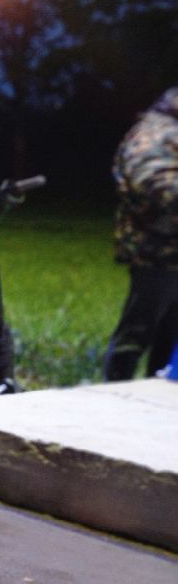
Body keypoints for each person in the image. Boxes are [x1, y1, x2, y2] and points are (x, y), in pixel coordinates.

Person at [102, 86, 178, 380]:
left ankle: (157, 395)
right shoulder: (154, 134)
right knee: (134, 337)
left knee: (169, 340)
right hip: (157, 252)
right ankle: (114, 393)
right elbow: (152, 183)